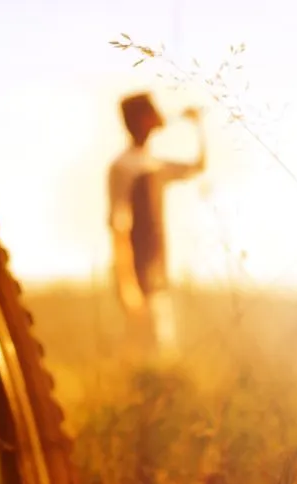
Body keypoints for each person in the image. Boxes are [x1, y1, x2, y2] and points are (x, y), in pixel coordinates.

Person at [107, 91, 206, 355]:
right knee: (144, 354)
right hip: (137, 276)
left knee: (162, 351)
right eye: (152, 110)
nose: (158, 114)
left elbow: (198, 167)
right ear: (141, 120)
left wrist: (198, 127)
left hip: (158, 272)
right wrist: (127, 284)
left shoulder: (154, 164)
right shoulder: (124, 167)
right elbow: (119, 226)